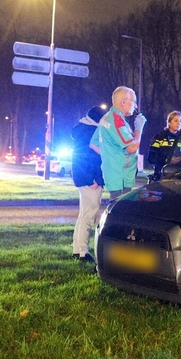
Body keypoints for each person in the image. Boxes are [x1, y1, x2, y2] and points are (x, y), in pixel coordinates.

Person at [94, 86, 146, 199]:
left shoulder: (107, 118)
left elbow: (94, 144)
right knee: (121, 212)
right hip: (121, 178)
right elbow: (132, 148)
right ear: (123, 101)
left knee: (117, 211)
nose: (135, 106)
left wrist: (111, 157)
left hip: (115, 175)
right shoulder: (116, 120)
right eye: (133, 102)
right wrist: (139, 128)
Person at [71, 106, 106, 263]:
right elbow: (89, 159)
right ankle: (83, 252)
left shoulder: (81, 130)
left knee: (83, 215)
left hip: (83, 179)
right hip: (90, 180)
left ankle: (77, 249)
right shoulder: (91, 132)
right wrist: (93, 180)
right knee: (89, 216)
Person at [147, 111, 181, 182]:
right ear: (169, 122)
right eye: (176, 120)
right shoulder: (160, 137)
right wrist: (167, 160)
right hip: (163, 176)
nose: (178, 123)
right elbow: (151, 158)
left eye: (180, 121)